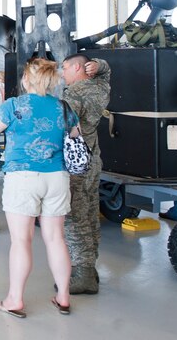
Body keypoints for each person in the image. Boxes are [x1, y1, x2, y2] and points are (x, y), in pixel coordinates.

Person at [0, 58, 76, 318]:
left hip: (22, 178)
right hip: (57, 177)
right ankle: (63, 297)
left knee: (21, 240)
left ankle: (14, 300)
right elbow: (76, 136)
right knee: (56, 239)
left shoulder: (14, 105)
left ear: (25, 79)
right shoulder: (63, 108)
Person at [61, 54, 111, 294]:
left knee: (76, 218)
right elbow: (106, 73)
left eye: (65, 68)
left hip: (76, 166)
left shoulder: (72, 95)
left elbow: (63, 128)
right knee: (91, 213)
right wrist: (99, 65)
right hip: (94, 160)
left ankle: (82, 274)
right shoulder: (99, 88)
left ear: (77, 67)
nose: (63, 74)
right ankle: (91, 267)